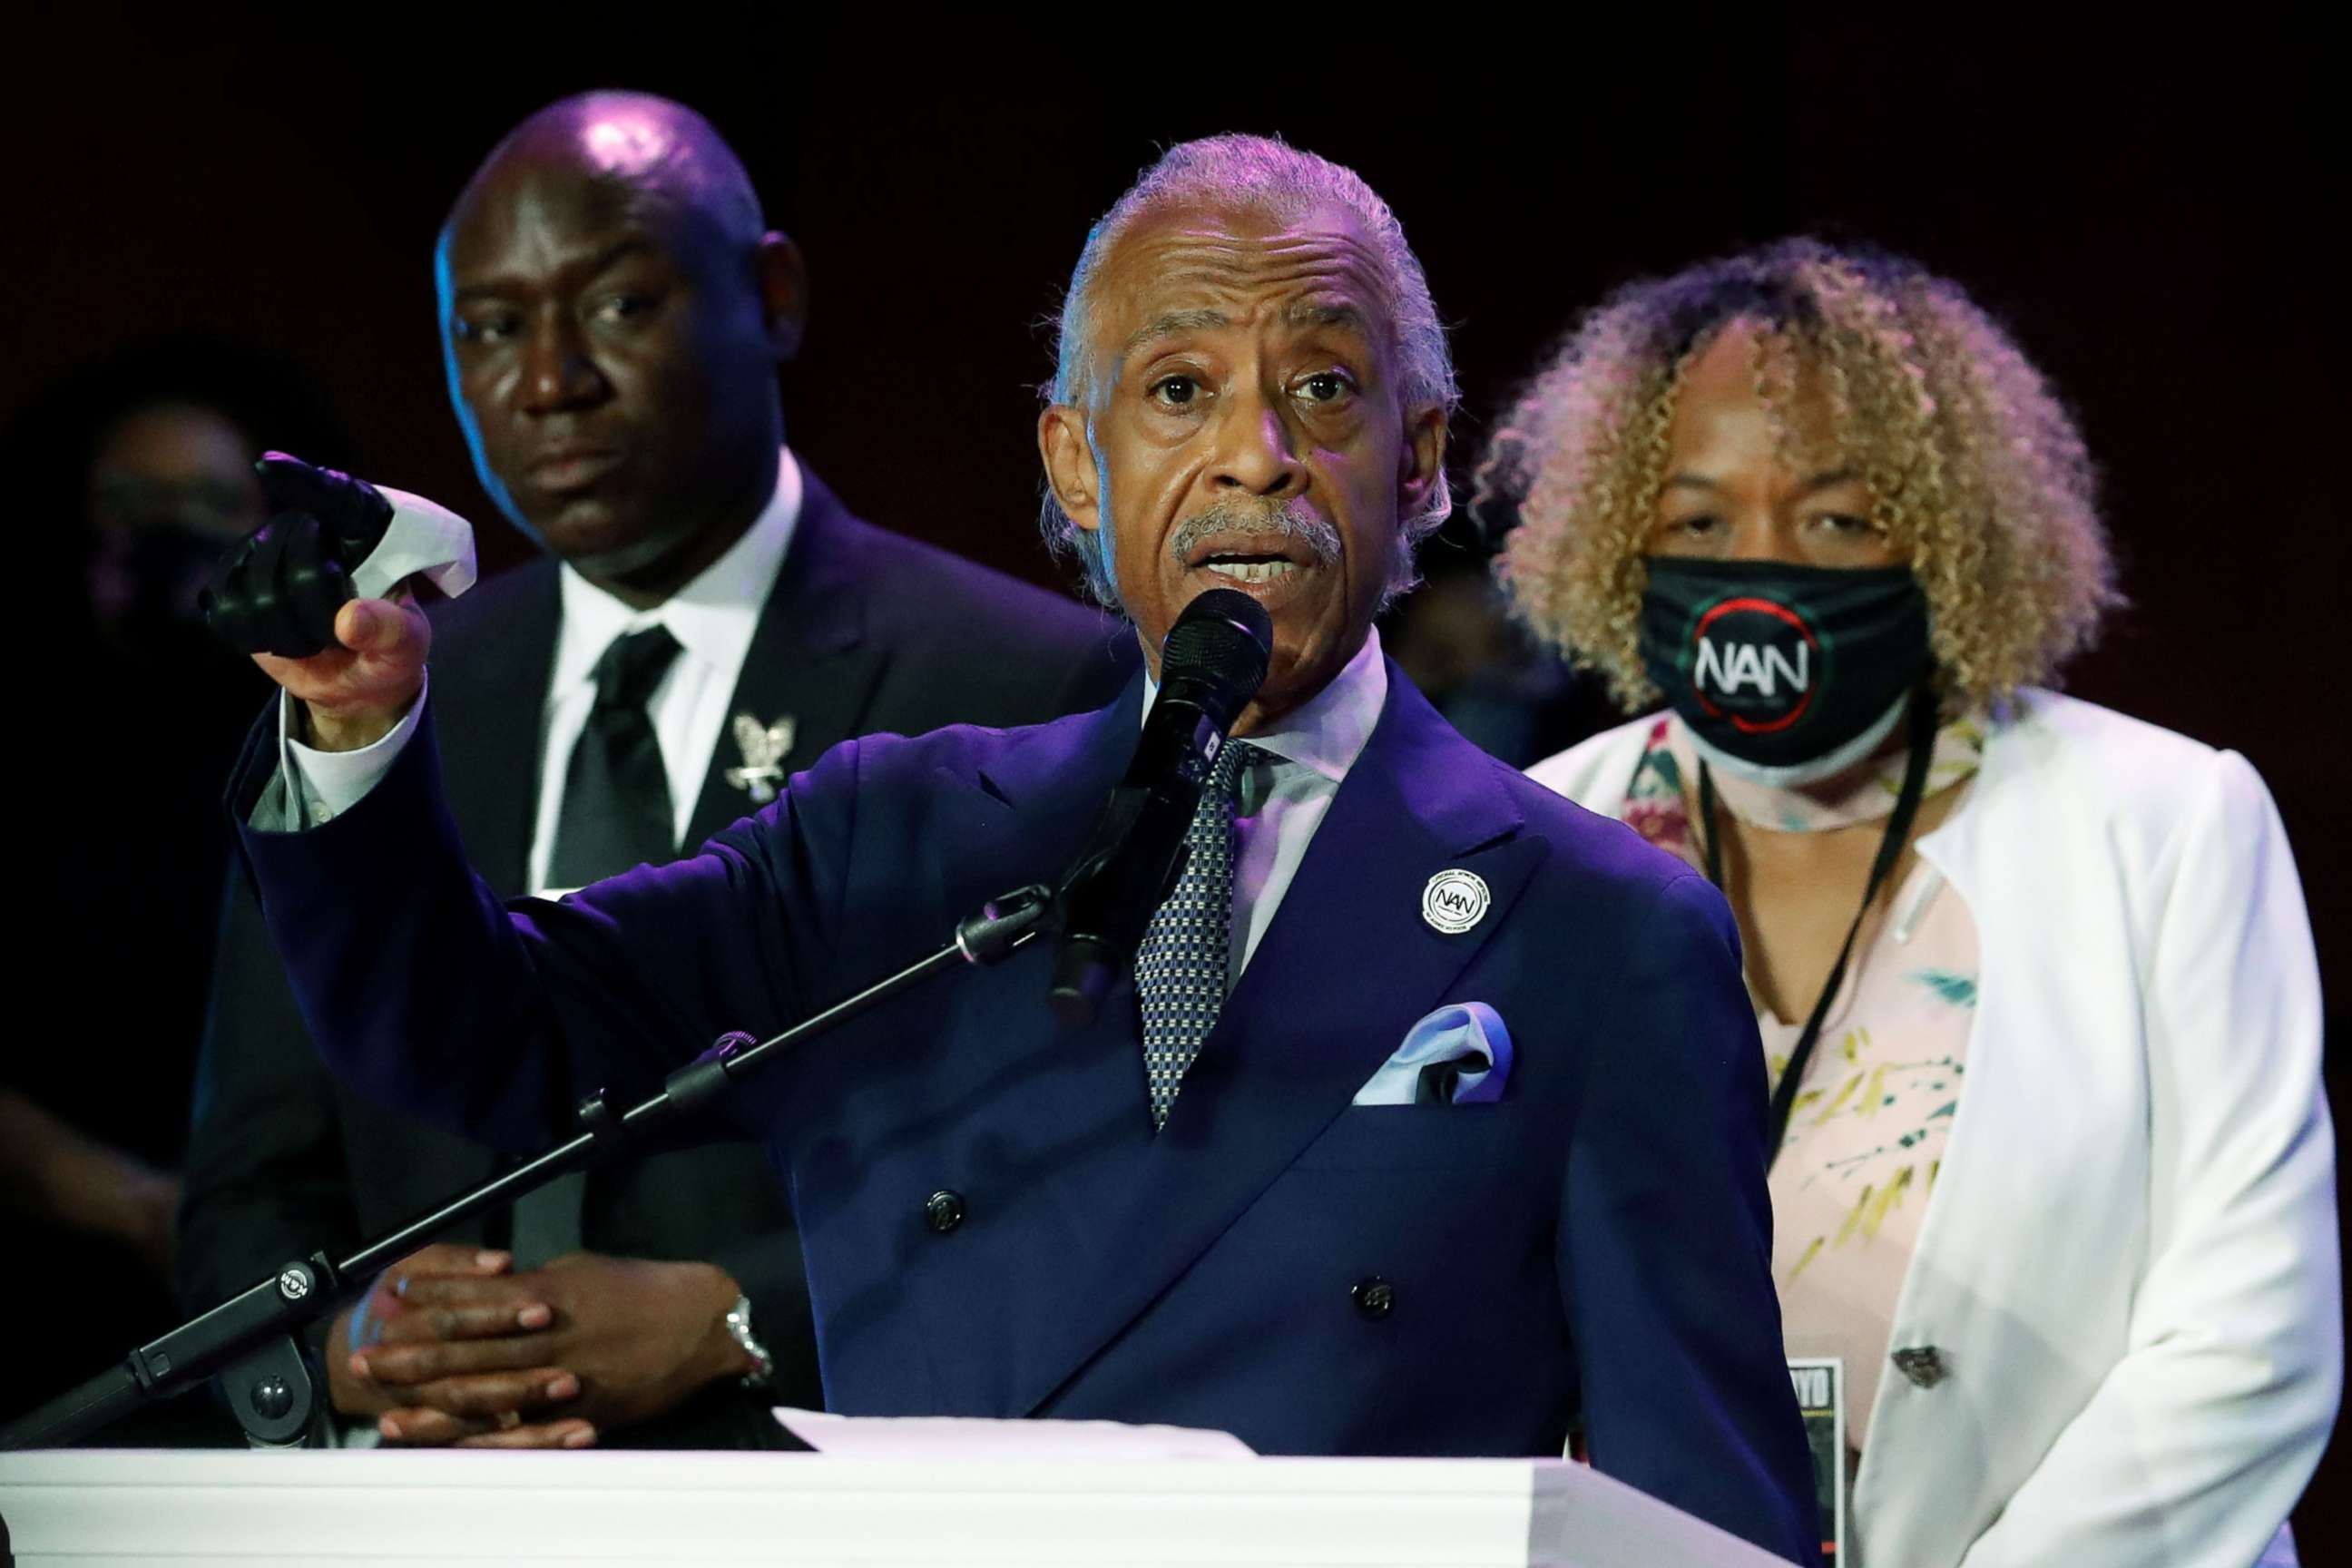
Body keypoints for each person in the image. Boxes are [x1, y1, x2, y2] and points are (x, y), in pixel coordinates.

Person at [221, 134, 1818, 1559]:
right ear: (1077, 462)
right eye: (1178, 390)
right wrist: (358, 732)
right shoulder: (890, 837)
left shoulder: (1605, 926)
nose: (1254, 449)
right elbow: (482, 1034)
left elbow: (1701, 1510)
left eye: (1322, 387)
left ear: (1418, 461)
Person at [174, 92, 1133, 1453]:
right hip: (408, 1508)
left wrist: (736, 1314)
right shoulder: (368, 699)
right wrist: (349, 1347)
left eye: (617, 306)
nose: (550, 380)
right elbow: (245, 1191)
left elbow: (1081, 1178)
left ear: (774, 295)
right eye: (493, 329)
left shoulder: (1023, 685)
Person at [1485, 239, 2339, 1565]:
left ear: (1948, 535)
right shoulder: (1531, 838)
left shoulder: (2165, 822)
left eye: (1838, 517)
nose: (1763, 570)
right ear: (1616, 536)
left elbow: (2251, 1337)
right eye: (1700, 523)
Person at [5, 338, 335, 1442]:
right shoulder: (29, 744)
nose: (172, 529)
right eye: (134, 500)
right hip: (52, 1296)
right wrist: (125, 1201)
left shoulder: (318, 741)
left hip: (289, 1284)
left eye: (206, 498)